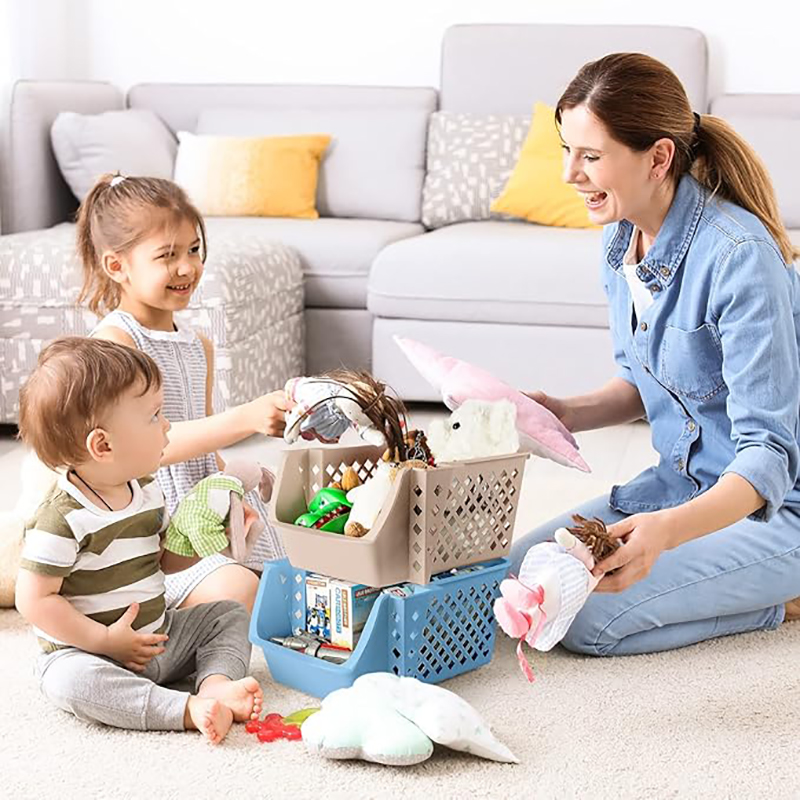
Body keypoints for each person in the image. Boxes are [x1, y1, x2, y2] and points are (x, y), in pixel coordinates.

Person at [510, 53, 800, 656]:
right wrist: (562, 412)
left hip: (773, 508)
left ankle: (783, 600)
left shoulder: (739, 256)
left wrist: (663, 534)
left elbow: (767, 455)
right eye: (566, 150)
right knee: (521, 570)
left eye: (590, 156)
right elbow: (649, 382)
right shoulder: (622, 241)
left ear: (658, 157)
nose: (569, 174)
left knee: (586, 619)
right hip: (683, 485)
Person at [15, 337, 263, 742]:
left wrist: (210, 542)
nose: (167, 426)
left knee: (228, 615)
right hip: (90, 652)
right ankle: (182, 709)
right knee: (68, 682)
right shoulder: (61, 519)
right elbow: (34, 600)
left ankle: (215, 684)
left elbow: (163, 559)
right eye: (154, 416)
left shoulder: (145, 490)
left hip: (157, 636)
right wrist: (105, 640)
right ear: (103, 445)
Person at [77, 173, 289, 612]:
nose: (187, 267)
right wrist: (245, 418)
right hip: (156, 531)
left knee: (293, 570)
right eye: (167, 255)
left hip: (203, 507)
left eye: (193, 250)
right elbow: (144, 450)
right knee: (239, 590)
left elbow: (204, 452)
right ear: (116, 266)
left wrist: (236, 486)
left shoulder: (198, 346)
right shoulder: (117, 343)